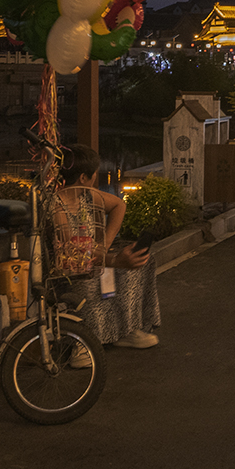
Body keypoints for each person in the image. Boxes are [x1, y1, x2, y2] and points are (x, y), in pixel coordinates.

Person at [52, 145, 160, 349]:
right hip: (69, 270)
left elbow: (119, 205)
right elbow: (71, 256)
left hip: (91, 258)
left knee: (142, 262)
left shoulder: (85, 195)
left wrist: (104, 246)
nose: (95, 178)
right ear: (83, 177)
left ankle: (127, 329)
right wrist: (111, 260)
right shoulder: (57, 205)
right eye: (93, 174)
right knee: (100, 274)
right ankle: (82, 345)